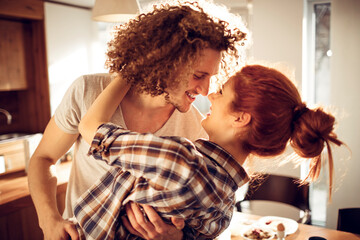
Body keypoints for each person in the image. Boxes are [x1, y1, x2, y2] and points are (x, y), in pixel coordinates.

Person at [27, 1, 247, 239]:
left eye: (210, 78)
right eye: (198, 76)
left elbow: (200, 218)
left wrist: (177, 237)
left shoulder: (197, 128)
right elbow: (43, 158)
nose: (205, 90)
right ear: (165, 62)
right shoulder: (88, 91)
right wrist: (48, 220)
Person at [75, 64, 343, 239]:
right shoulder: (226, 202)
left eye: (221, 92)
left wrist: (132, 68)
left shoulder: (178, 160)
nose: (210, 95)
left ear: (240, 118)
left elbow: (90, 128)